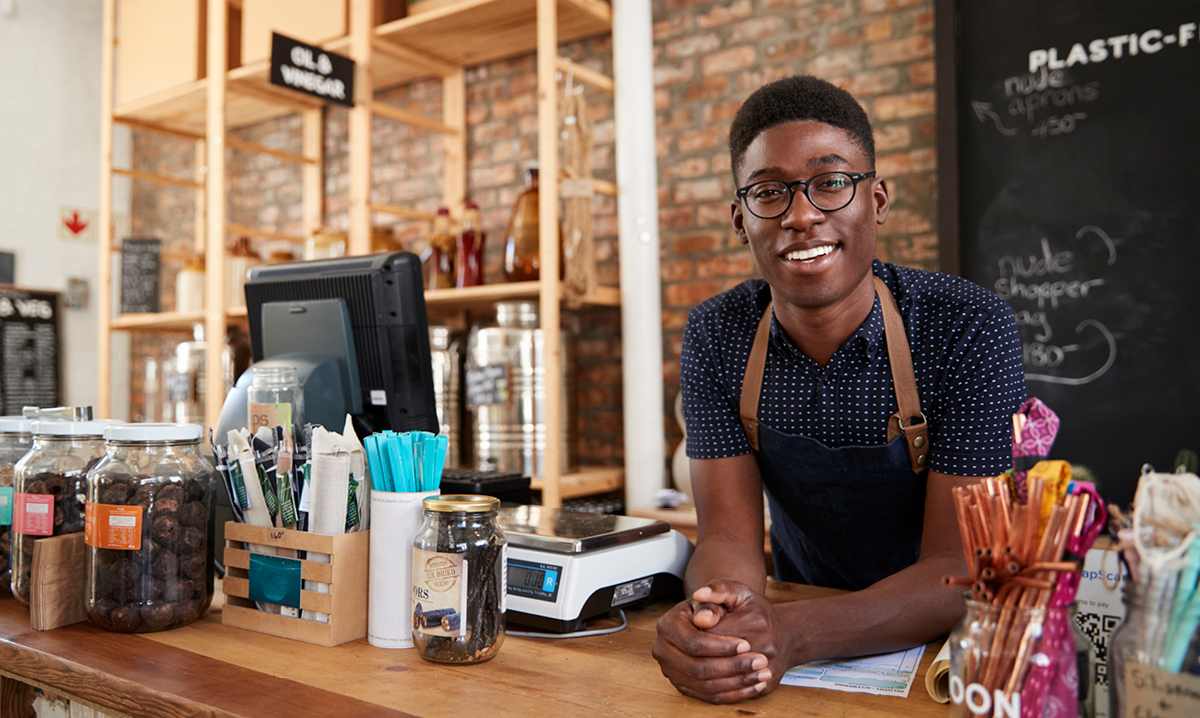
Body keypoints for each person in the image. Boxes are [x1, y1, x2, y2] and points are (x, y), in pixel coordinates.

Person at [651, 75, 1027, 704]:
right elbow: (728, 538)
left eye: (831, 182)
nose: (802, 215)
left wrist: (791, 634)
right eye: (770, 192)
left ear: (876, 198)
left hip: (943, 655)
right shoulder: (717, 333)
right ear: (741, 220)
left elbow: (958, 570)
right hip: (792, 644)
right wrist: (720, 617)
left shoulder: (967, 326)